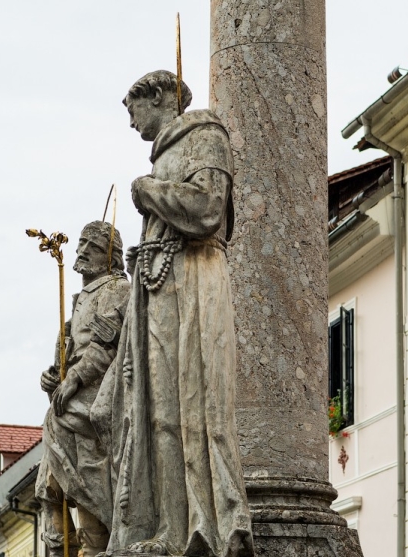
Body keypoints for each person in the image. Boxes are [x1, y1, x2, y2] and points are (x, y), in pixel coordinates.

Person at [92, 71, 255, 557]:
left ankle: (208, 524)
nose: (130, 124)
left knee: (198, 408)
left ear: (158, 97)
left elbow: (208, 209)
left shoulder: (206, 136)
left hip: (194, 283)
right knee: (161, 414)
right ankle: (169, 526)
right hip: (159, 290)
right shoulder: (163, 153)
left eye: (132, 110)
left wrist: (148, 192)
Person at [36, 221, 131, 557]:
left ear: (110, 254)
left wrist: (73, 380)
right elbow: (69, 352)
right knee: (49, 489)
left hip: (96, 396)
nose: (79, 252)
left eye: (89, 246)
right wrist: (54, 378)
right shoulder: (81, 298)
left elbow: (103, 346)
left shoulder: (118, 289)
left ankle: (97, 547)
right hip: (70, 398)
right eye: (80, 244)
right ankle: (61, 548)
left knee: (88, 484)